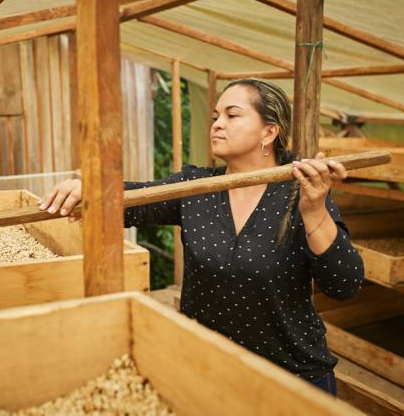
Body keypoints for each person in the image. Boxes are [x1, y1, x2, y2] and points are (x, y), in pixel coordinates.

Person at [38, 78, 364, 396]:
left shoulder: (300, 191)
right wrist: (91, 190)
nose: (217, 124)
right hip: (208, 371)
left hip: (290, 378)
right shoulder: (196, 188)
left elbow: (344, 283)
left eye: (232, 115)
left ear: (269, 131)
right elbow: (132, 200)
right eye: (215, 117)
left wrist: (314, 210)